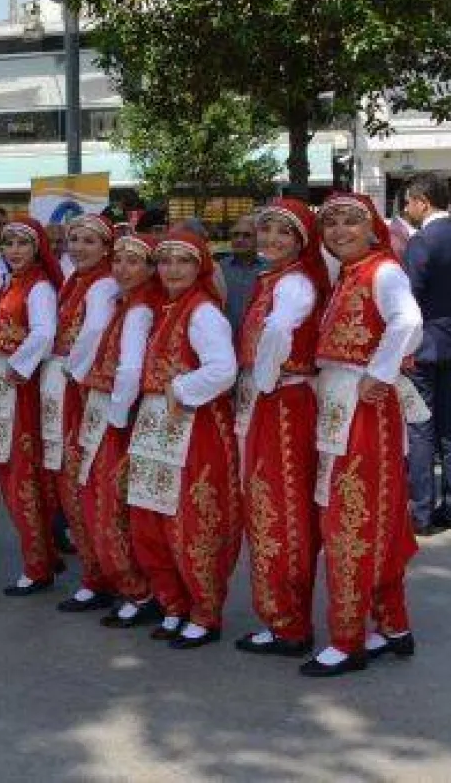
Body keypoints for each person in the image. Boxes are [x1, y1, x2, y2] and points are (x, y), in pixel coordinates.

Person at [302, 193, 424, 677]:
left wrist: (380, 371)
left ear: (373, 228)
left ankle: (349, 638)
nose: (338, 232)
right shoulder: (348, 276)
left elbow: (409, 321)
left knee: (350, 521)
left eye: (350, 222)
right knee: (376, 521)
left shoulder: (382, 272)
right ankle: (393, 626)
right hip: (344, 406)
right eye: (330, 224)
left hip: (363, 409)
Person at [125, 231, 239, 650]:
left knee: (191, 521)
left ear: (200, 268)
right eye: (165, 261)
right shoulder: (165, 309)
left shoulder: (203, 312)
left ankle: (205, 612)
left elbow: (222, 369)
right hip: (160, 421)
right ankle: (173, 603)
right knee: (150, 516)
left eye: (183, 262)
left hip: (195, 423)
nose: (172, 270)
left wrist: (179, 388)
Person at [232, 199, 328, 658]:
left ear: (300, 241)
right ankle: (282, 617)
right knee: (272, 507)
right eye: (264, 231)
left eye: (282, 233)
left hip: (283, 401)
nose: (271, 240)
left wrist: (264, 379)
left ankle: (289, 623)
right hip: (276, 398)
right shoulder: (277, 279)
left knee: (281, 512)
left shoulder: (292, 283)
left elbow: (278, 333)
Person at [80, 234, 163, 628]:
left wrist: (116, 418)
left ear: (150, 269)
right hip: (113, 410)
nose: (123, 269)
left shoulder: (139, 310)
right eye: (118, 261)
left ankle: (139, 590)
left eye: (134, 262)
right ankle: (132, 586)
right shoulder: (127, 303)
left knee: (112, 506)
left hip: (120, 416)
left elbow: (130, 369)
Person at [0, 217, 62, 595]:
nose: (14, 250)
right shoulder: (11, 283)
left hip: (20, 388)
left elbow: (45, 332)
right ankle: (43, 555)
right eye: (8, 243)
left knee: (22, 478)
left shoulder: (39, 287)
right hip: (4, 387)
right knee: (12, 474)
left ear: (37, 249)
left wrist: (16, 366)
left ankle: (37, 566)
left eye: (22, 244)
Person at [400, 174, 451, 533]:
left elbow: (408, 297)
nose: (405, 209)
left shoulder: (422, 241)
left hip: (423, 344)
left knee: (421, 430)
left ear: (422, 201)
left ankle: (421, 513)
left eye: (408, 202)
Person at [52, 214, 120, 612]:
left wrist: (72, 370)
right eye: (73, 239)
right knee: (77, 483)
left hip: (90, 391)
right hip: (79, 390)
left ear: (106, 248)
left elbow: (93, 332)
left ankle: (105, 577)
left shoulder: (102, 284)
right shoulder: (77, 282)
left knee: (90, 484)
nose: (77, 247)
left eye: (88, 241)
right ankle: (95, 574)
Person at [219, 214, 264, 334]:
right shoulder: (219, 269)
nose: (240, 239)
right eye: (236, 235)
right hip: (226, 341)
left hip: (258, 341)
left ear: (258, 238)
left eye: (247, 235)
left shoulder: (270, 268)